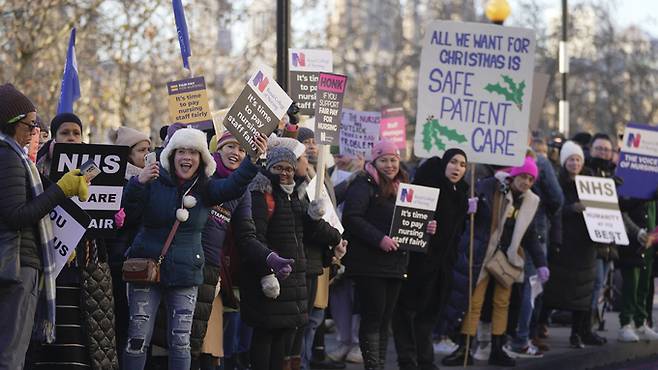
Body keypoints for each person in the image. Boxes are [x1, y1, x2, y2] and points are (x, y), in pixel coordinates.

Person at [121, 128, 265, 369]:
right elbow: (129, 214)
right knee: (137, 340)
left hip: (186, 272)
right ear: (171, 155)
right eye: (181, 151)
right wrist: (138, 182)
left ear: (202, 159)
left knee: (180, 343)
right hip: (145, 269)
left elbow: (234, 186)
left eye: (193, 152)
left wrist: (252, 161)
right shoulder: (152, 181)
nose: (186, 157)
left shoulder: (207, 189)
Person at [0, 84, 89, 369]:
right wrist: (61, 190)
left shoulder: (12, 156)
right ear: (13, 124)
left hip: (20, 262)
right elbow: (17, 215)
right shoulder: (9, 157)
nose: (33, 132)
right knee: (11, 353)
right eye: (30, 125)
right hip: (18, 266)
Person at [441, 156, 549, 367]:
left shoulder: (530, 201)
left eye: (530, 179)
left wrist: (542, 262)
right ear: (514, 175)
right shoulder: (491, 186)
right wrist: (469, 208)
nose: (526, 182)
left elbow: (530, 234)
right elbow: (472, 212)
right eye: (523, 176)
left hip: (507, 259)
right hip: (483, 253)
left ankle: (497, 348)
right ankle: (464, 348)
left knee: (502, 304)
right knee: (474, 302)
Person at [30, 112, 118, 370]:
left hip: (85, 271)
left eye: (76, 133)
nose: (71, 137)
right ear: (54, 138)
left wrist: (115, 214)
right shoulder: (38, 171)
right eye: (65, 133)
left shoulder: (97, 171)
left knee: (79, 345)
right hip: (48, 268)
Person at [244, 147, 343, 370]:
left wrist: (314, 217)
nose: (284, 173)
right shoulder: (260, 195)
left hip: (293, 279)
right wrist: (266, 275)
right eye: (278, 168)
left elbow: (307, 232)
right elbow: (255, 239)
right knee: (265, 335)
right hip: (270, 278)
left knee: (283, 336)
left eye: (289, 168)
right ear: (268, 168)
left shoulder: (295, 195)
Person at [342, 140, 418, 370]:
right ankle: (373, 366)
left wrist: (425, 228)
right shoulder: (363, 184)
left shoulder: (404, 186)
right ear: (374, 161)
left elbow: (408, 221)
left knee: (385, 321)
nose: (389, 165)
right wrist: (379, 239)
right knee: (373, 319)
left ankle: (379, 365)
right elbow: (352, 218)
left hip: (394, 265)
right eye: (383, 160)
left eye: (393, 160)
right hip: (369, 264)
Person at [392, 149, 470, 370]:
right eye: (453, 162)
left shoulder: (461, 193)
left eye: (462, 164)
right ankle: (407, 359)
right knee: (407, 312)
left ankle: (425, 359)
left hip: (442, 267)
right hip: (418, 263)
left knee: (429, 315)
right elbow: (409, 221)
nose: (457, 168)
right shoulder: (428, 187)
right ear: (444, 164)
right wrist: (426, 225)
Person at [542, 141, 605, 348]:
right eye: (571, 159)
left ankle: (579, 332)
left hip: (586, 245)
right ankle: (540, 325)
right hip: (564, 244)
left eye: (578, 159)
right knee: (554, 290)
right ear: (564, 162)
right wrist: (571, 209)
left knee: (584, 293)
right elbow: (553, 208)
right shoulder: (557, 182)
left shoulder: (592, 183)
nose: (575, 163)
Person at [106, 126, 152, 362]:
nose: (147, 154)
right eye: (141, 150)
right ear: (128, 153)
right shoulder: (116, 179)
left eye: (149, 149)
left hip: (144, 259)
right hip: (120, 258)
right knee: (122, 319)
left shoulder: (154, 177)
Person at [587, 133, 619, 330]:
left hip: (609, 240)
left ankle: (593, 321)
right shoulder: (586, 171)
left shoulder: (614, 176)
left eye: (606, 149)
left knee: (601, 283)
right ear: (591, 150)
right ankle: (587, 323)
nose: (603, 152)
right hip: (591, 240)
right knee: (596, 282)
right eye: (599, 148)